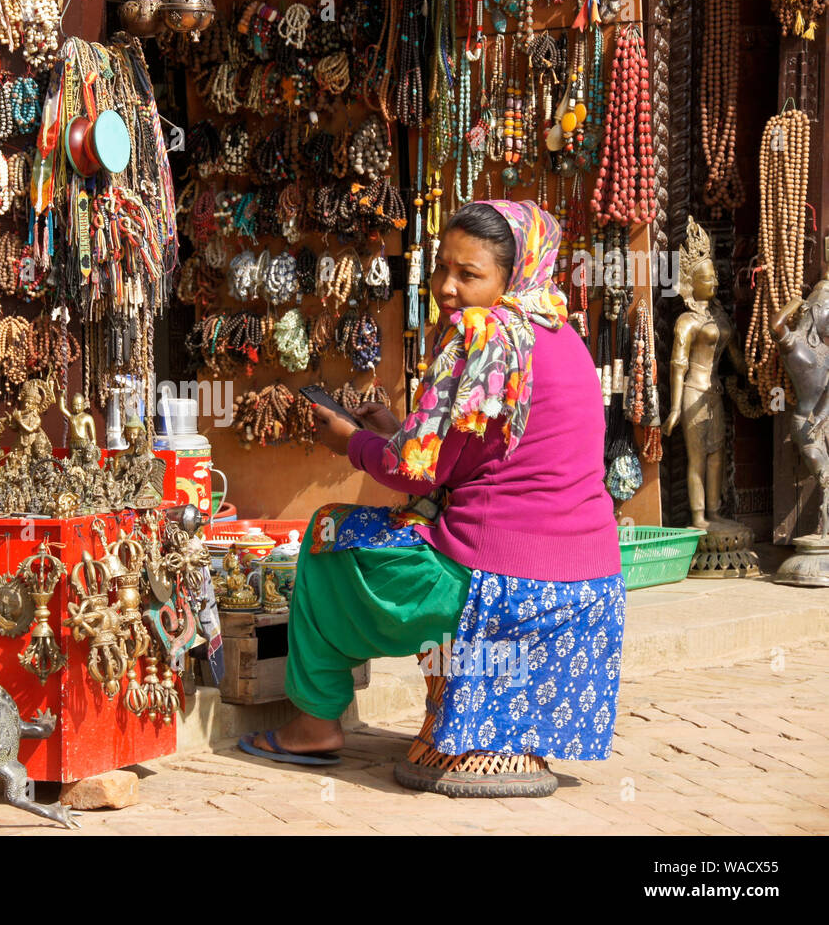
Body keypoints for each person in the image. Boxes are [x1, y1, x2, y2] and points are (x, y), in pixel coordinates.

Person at [239, 200, 626, 798]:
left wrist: (354, 442)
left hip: (495, 584)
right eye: (442, 268)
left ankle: (315, 723)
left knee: (327, 532)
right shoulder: (563, 336)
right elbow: (479, 459)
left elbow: (415, 475)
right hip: (591, 585)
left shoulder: (482, 339)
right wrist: (398, 427)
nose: (447, 288)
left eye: (469, 275)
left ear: (511, 274)